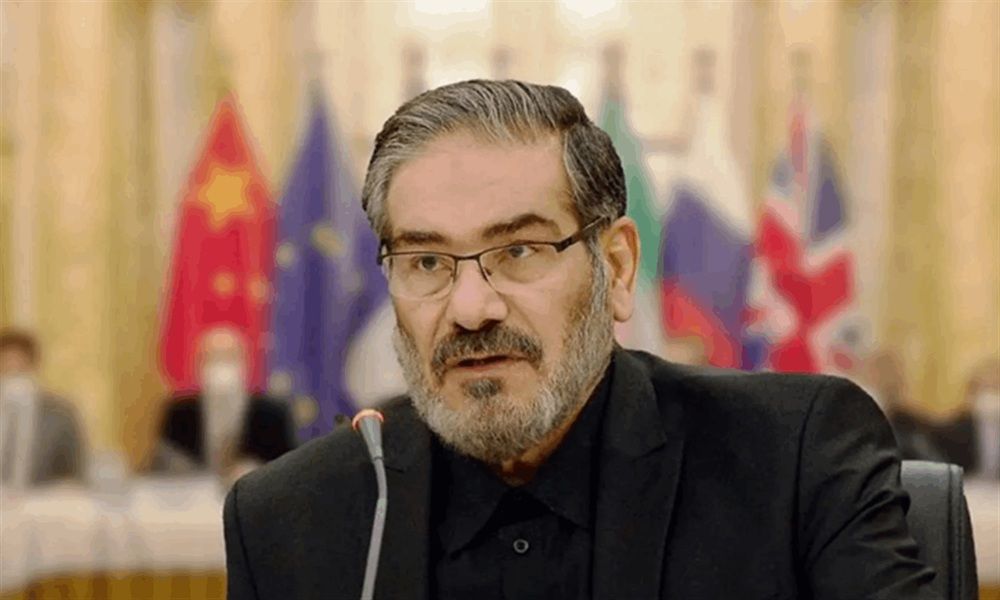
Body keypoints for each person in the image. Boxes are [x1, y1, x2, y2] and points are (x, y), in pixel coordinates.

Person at [224, 81, 938, 599]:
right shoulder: (288, 518)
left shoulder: (793, 458)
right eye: (428, 262)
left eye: (520, 251)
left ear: (617, 268)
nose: (470, 309)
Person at [153, 326, 297, 482]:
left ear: (246, 363)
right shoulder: (179, 412)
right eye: (213, 357)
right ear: (197, 365)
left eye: (229, 357)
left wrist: (257, 471)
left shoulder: (272, 413)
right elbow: (162, 463)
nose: (221, 365)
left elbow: (290, 467)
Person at [0, 328, 85, 487]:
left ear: (33, 367)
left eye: (19, 371)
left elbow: (75, 474)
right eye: (6, 370)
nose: (12, 379)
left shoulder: (60, 415)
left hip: (43, 499)